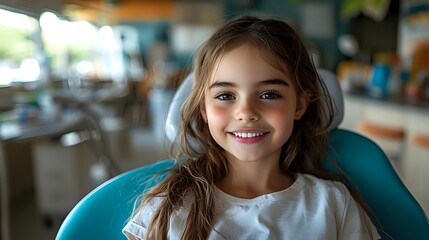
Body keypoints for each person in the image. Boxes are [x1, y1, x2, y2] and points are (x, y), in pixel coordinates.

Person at [123, 15, 380, 240]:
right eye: (225, 96)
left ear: (299, 105)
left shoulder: (333, 204)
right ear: (204, 109)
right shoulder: (170, 206)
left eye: (269, 94)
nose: (246, 112)